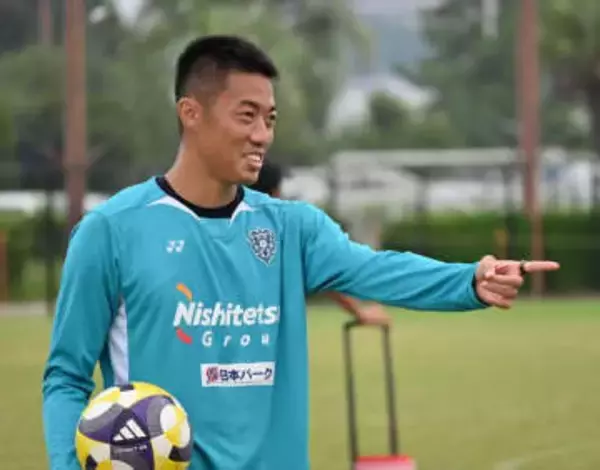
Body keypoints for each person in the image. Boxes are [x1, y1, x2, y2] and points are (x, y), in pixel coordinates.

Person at [42, 35, 560, 470]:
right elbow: (67, 376)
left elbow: (377, 269)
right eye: (247, 116)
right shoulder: (111, 231)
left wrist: (469, 280)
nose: (262, 135)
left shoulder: (292, 228)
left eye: (270, 119)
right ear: (191, 113)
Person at [250, 160, 391, 325]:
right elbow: (324, 275)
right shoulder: (285, 229)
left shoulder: (232, 224)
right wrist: (360, 313)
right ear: (276, 191)